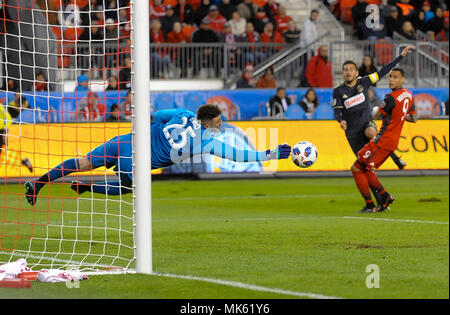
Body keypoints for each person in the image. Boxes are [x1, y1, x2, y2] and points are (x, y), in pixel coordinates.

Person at [24, 104, 292, 205]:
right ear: (208, 121)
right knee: (130, 188)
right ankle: (87, 188)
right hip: (137, 160)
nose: (221, 124)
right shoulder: (206, 143)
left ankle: (38, 184)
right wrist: (269, 153)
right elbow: (237, 155)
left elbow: (154, 117)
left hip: (125, 142)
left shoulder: (183, 113)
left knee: (81, 162)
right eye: (219, 121)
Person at [333, 45, 414, 208]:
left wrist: (400, 57)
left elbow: (383, 71)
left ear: (357, 73)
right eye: (345, 70)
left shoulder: (364, 82)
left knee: (372, 132)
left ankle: (395, 158)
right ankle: (380, 200)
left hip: (366, 123)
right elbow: (337, 110)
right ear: (343, 73)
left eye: (351, 69)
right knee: (364, 168)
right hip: (352, 132)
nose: (348, 72)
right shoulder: (338, 91)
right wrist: (340, 121)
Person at [351, 67, 417, 212]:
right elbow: (414, 118)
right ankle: (383, 197)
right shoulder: (409, 95)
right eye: (390, 77)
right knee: (358, 165)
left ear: (402, 79)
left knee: (361, 167)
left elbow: (375, 116)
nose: (391, 80)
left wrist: (376, 110)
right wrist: (399, 116)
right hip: (390, 140)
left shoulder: (390, 98)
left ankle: (374, 202)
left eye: (395, 77)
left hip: (383, 139)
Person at [0, 94, 33, 172]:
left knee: (4, 151)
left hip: (1, 131)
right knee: (4, 152)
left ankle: (23, 161)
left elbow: (8, 118)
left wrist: (5, 131)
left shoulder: (0, 107)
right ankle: (23, 161)